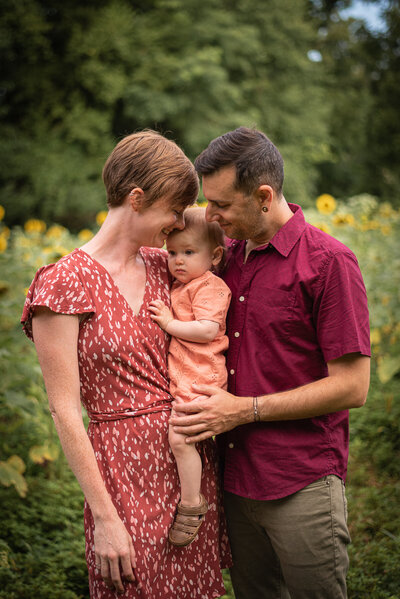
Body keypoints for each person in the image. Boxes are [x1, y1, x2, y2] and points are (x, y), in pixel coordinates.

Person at [21, 131, 231, 599]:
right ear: (137, 199)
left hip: (188, 471)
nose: (179, 224)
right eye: (174, 212)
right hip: (120, 476)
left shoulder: (167, 265)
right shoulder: (64, 283)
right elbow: (65, 411)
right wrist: (106, 519)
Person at [170, 127, 371, 599]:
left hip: (299, 482)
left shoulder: (329, 264)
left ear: (263, 196)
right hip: (235, 482)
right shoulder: (225, 255)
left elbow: (353, 387)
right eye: (208, 203)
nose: (210, 215)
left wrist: (245, 409)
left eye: (220, 204)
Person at [148, 207, 231, 547]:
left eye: (188, 252)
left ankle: (192, 504)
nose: (177, 261)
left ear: (214, 256)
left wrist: (168, 324)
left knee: (180, 438)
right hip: (188, 375)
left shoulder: (210, 286)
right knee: (186, 440)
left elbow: (207, 329)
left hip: (202, 377)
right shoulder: (184, 284)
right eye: (172, 252)